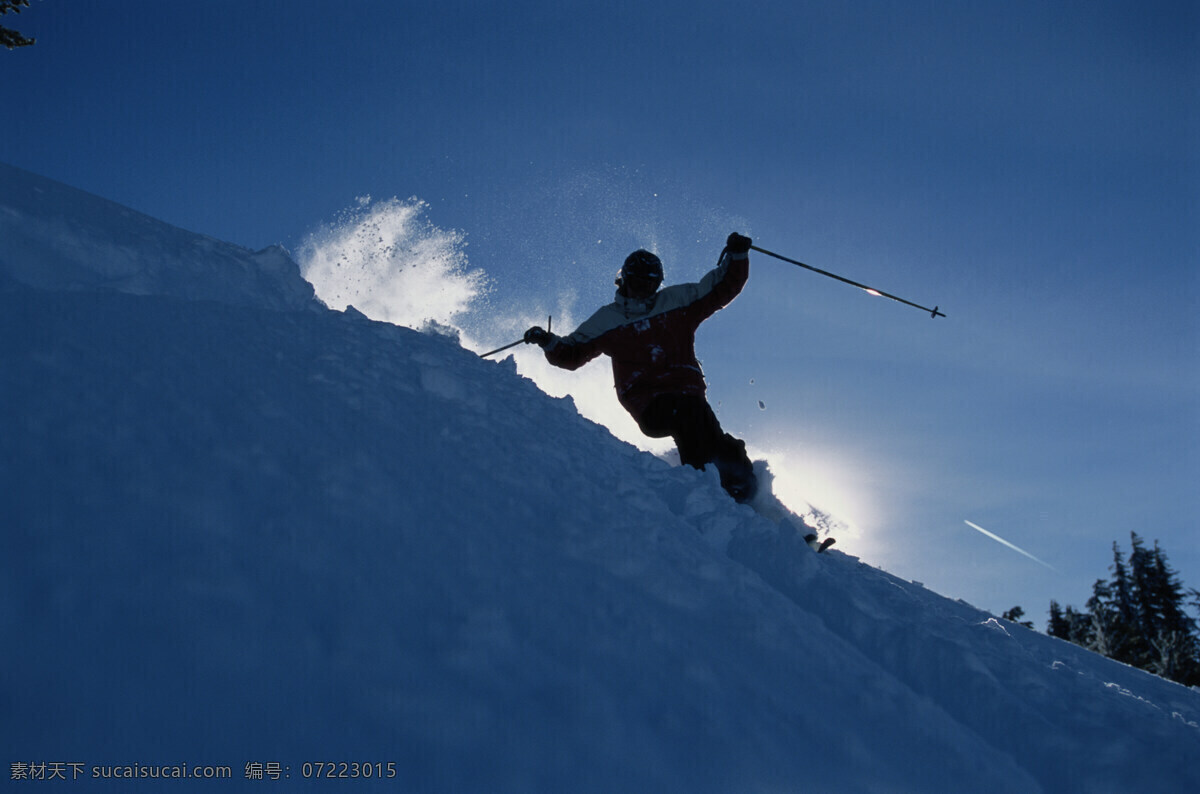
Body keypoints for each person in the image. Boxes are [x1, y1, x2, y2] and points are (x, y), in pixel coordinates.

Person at [523, 232, 757, 502]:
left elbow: (721, 288)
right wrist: (547, 341)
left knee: (715, 438)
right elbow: (572, 354)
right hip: (648, 402)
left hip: (688, 394)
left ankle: (750, 499)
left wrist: (738, 255)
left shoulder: (677, 302)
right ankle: (706, 490)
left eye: (649, 285)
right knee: (689, 418)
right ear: (623, 280)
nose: (641, 292)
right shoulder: (608, 320)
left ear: (657, 285)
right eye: (635, 283)